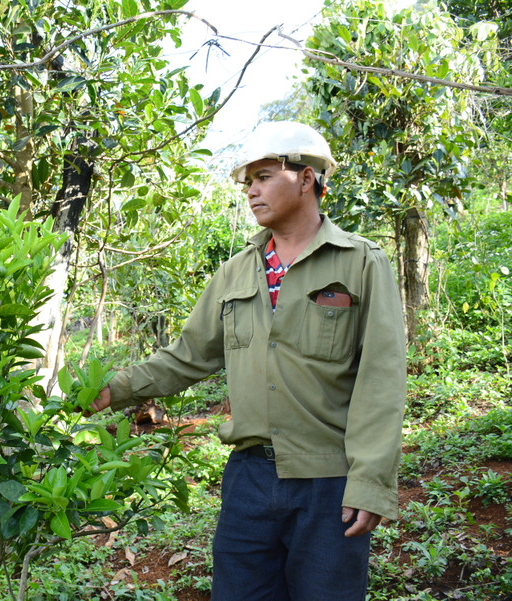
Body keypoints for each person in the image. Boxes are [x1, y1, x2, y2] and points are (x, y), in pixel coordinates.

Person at [88, 121, 407, 601]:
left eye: (263, 177)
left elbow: (380, 380)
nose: (252, 192)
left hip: (328, 484)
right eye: (248, 183)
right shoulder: (235, 271)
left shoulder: (361, 262)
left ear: (306, 179)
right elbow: (189, 356)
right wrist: (115, 388)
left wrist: (371, 483)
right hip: (249, 481)